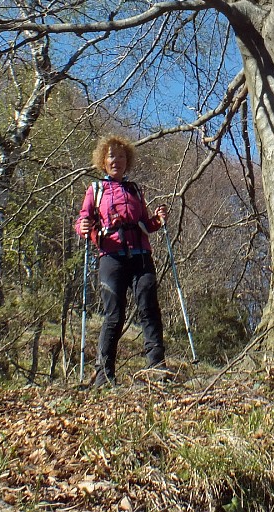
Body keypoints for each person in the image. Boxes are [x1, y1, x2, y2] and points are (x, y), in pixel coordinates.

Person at [75, 135, 169, 385]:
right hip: (111, 256)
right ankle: (104, 375)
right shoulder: (95, 190)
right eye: (111, 156)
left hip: (140, 255)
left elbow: (145, 224)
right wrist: (83, 227)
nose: (117, 160)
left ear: (128, 161)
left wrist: (158, 220)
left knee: (149, 308)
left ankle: (157, 369)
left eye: (121, 156)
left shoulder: (135, 190)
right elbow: (83, 220)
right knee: (114, 315)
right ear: (103, 161)